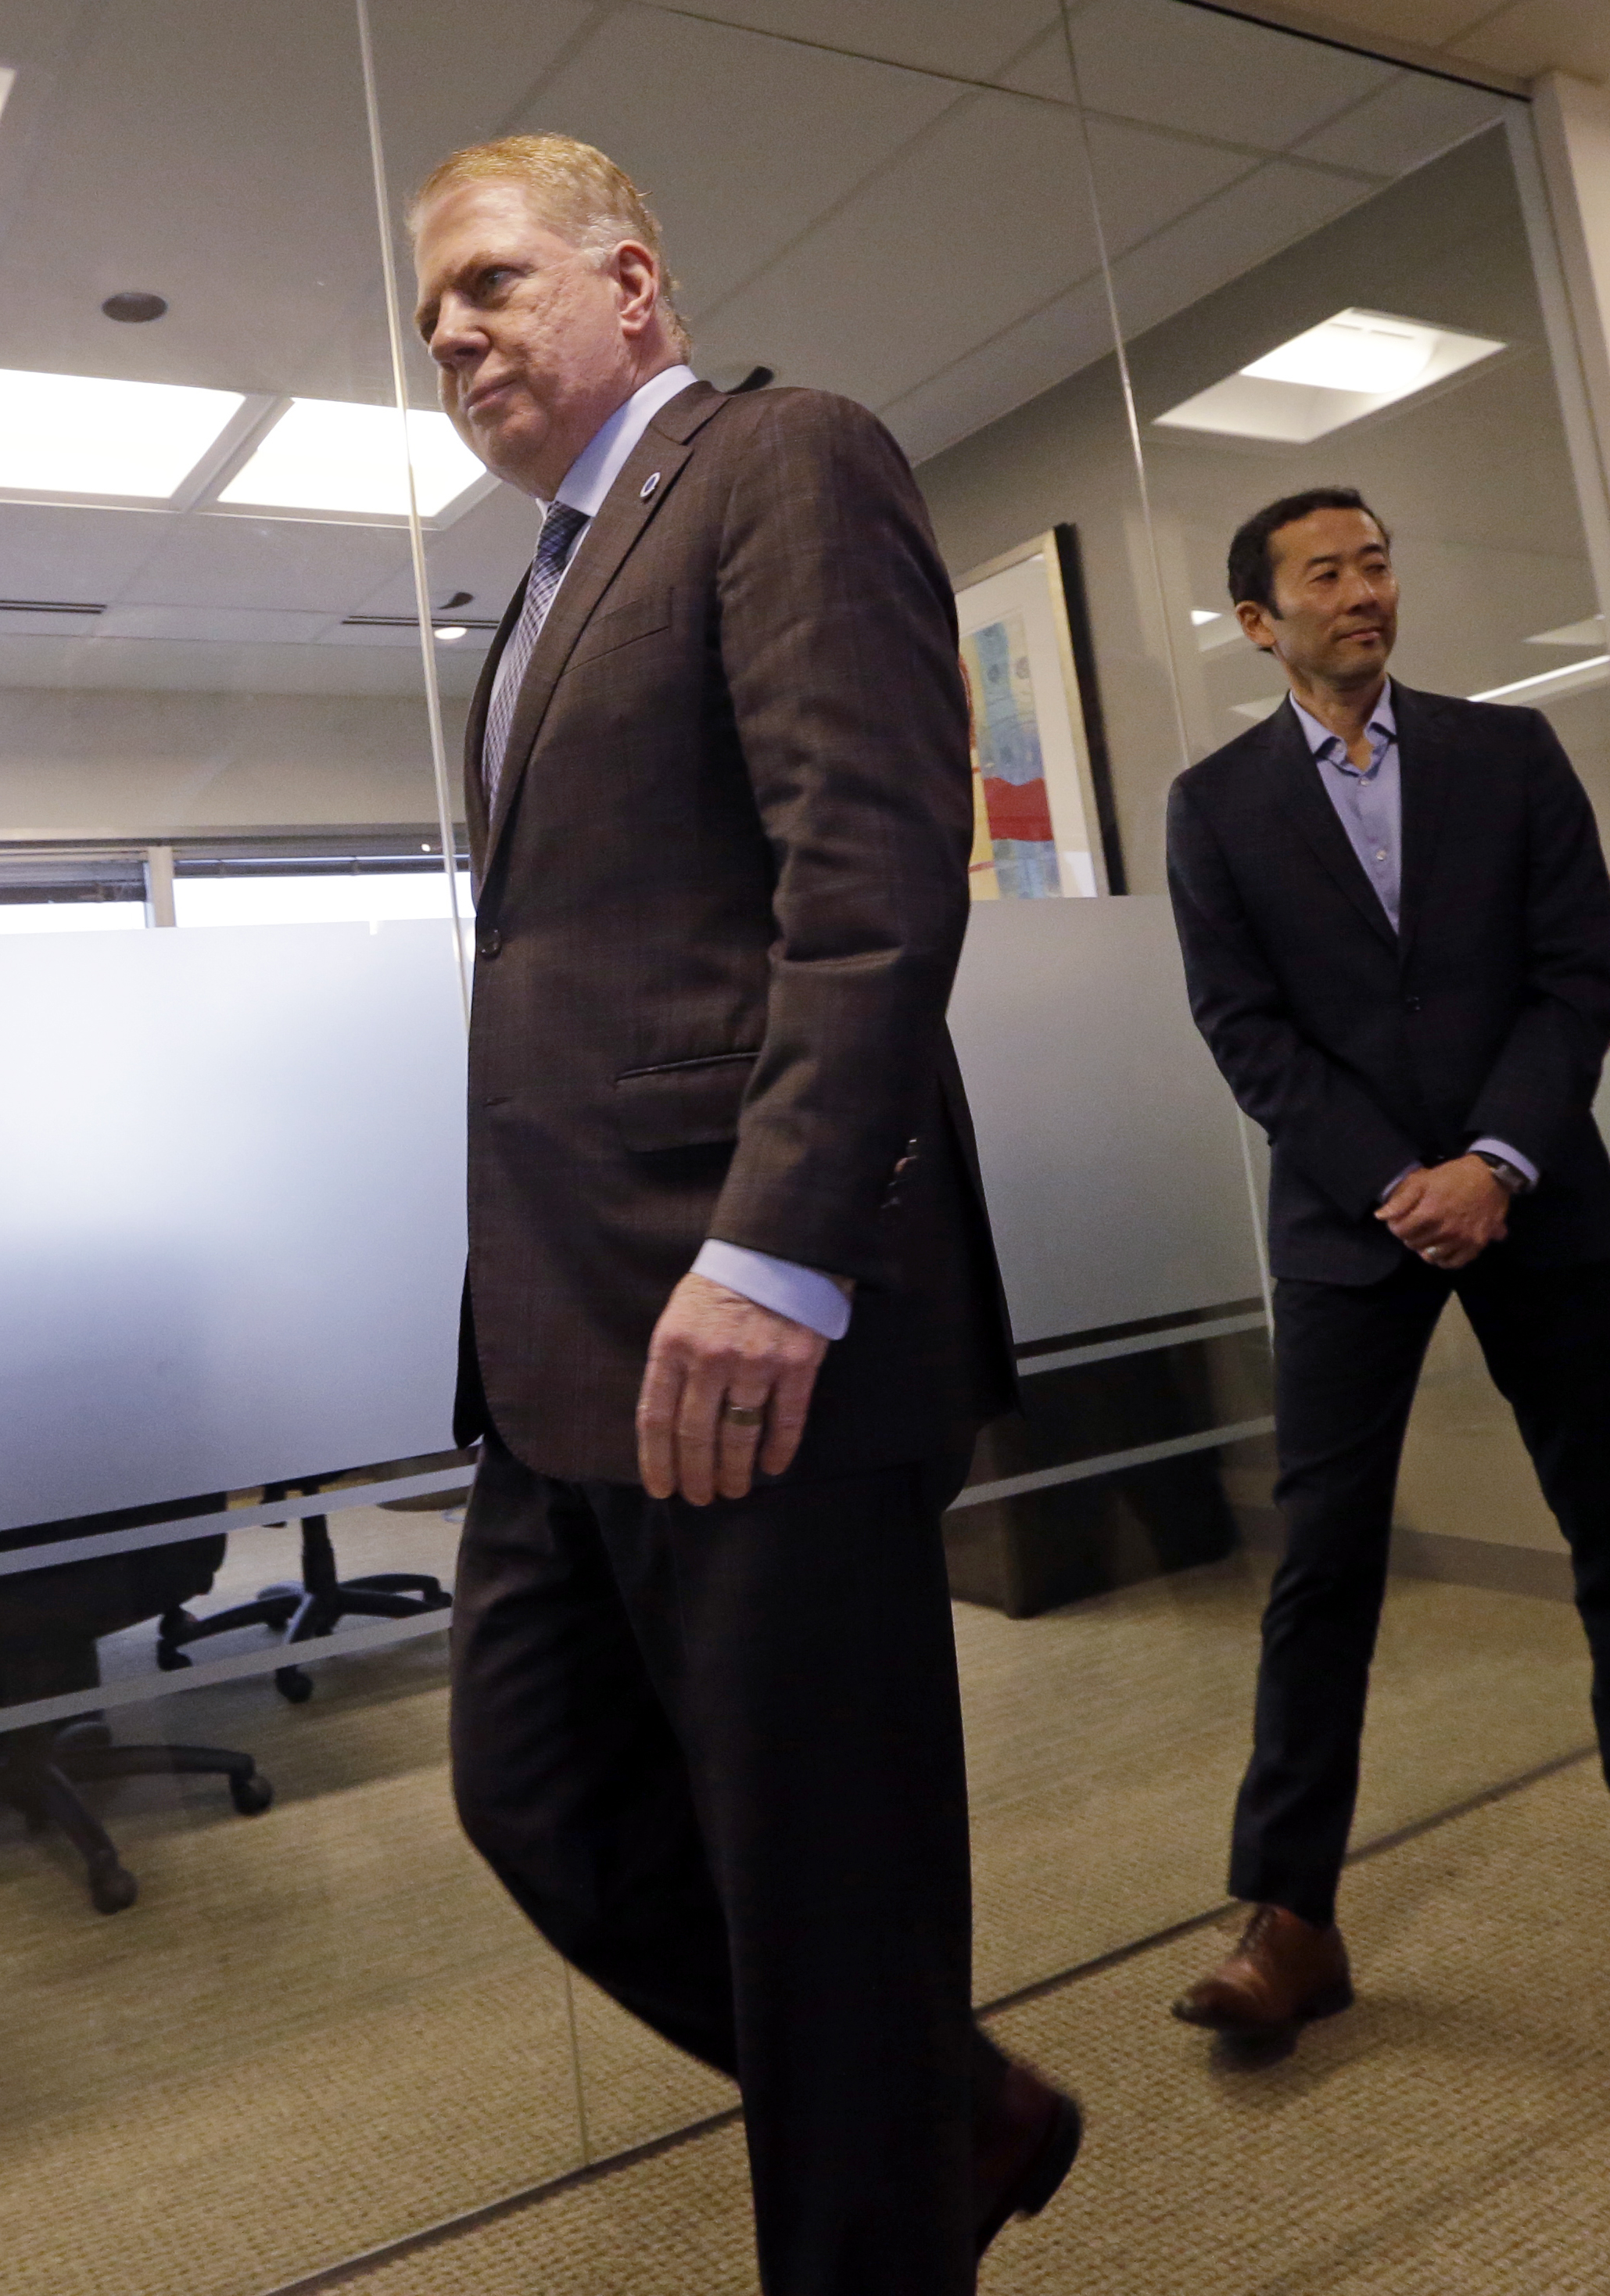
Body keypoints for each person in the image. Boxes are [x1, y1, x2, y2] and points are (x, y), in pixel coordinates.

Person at [407, 134, 1080, 2291]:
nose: (451, 333)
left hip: (747, 1325)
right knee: (540, 1800)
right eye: (431, 312)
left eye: (493, 282)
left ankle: (888, 2169)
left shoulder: (778, 459)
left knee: (822, 1891)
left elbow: (870, 878)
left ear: (633, 282)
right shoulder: (537, 587)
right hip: (563, 1343)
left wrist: (776, 1249)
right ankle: (942, 2108)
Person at [1160, 486, 1610, 2046]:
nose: (1364, 589)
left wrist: (1496, 1162)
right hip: (1353, 1230)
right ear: (1261, 622)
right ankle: (1289, 1913)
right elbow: (1246, 1031)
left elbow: (1577, 976)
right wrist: (1394, 1182)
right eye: (1325, 574)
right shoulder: (1214, 806)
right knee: (1324, 1567)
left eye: (1376, 561)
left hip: (1534, 1196)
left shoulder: (1511, 754)